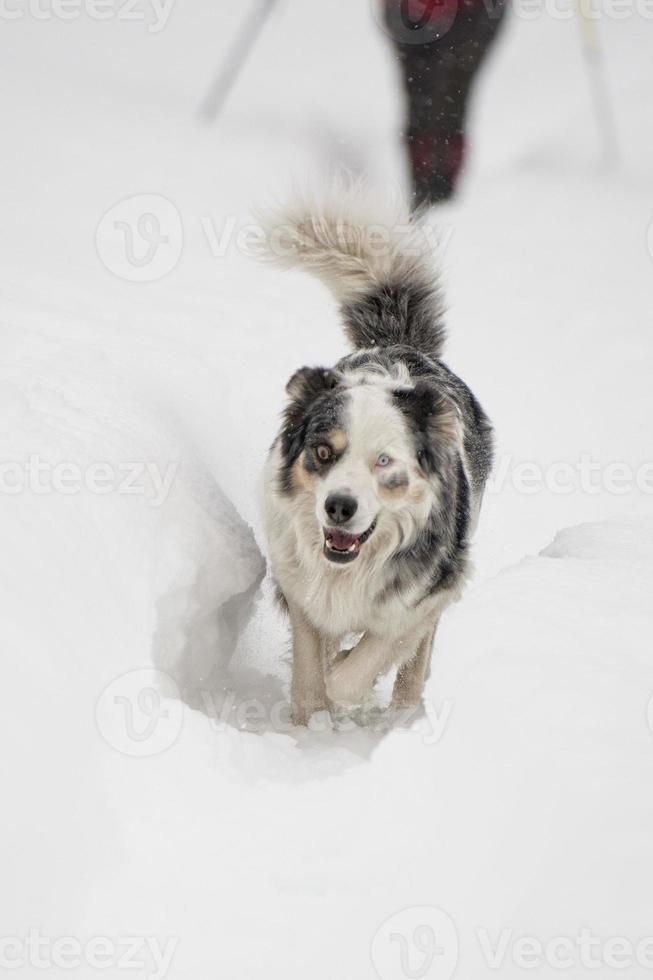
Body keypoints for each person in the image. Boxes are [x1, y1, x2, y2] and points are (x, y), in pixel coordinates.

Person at [383, 0, 507, 207]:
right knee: (423, 107)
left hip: (472, 14)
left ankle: (440, 197)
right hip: (411, 14)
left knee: (447, 106)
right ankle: (425, 194)